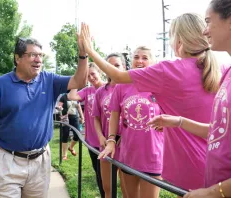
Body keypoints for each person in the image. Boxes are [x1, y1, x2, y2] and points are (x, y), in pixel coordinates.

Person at [80, 13, 221, 192]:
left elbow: (118, 75)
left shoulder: (170, 70)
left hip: (188, 166)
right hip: (218, 167)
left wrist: (90, 51)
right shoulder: (222, 69)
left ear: (179, 42)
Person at [0, 36, 88, 198]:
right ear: (18, 58)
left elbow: (80, 81)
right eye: (33, 55)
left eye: (41, 56)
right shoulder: (0, 85)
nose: (38, 60)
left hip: (40, 162)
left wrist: (83, 54)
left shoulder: (49, 80)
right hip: (8, 161)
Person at [148, 1, 231, 197]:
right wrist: (179, 121)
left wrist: (213, 192)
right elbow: (222, 131)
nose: (205, 31)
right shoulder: (227, 73)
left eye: (209, 22)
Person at [99, 47, 164, 198]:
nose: (140, 61)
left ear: (153, 62)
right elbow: (114, 115)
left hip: (152, 155)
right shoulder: (121, 86)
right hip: (129, 155)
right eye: (136, 57)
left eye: (145, 57)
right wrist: (111, 140)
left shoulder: (160, 85)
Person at [67, 62, 106, 198]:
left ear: (100, 73)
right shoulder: (88, 91)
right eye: (88, 75)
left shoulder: (109, 88)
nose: (91, 77)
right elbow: (71, 96)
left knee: (109, 175)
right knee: (98, 173)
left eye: (93, 74)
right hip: (92, 141)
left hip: (107, 139)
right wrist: (78, 78)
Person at [92, 53, 125, 198]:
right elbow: (96, 118)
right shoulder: (101, 92)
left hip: (127, 147)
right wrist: (100, 136)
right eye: (109, 65)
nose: (113, 68)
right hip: (107, 145)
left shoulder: (131, 88)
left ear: (123, 67)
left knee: (127, 190)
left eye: (117, 65)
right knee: (108, 188)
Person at [58, 93, 84, 160]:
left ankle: (71, 147)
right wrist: (60, 108)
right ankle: (64, 155)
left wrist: (82, 117)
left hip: (75, 118)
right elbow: (59, 106)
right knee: (65, 135)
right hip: (65, 118)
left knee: (77, 134)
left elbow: (78, 107)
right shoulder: (64, 97)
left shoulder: (76, 96)